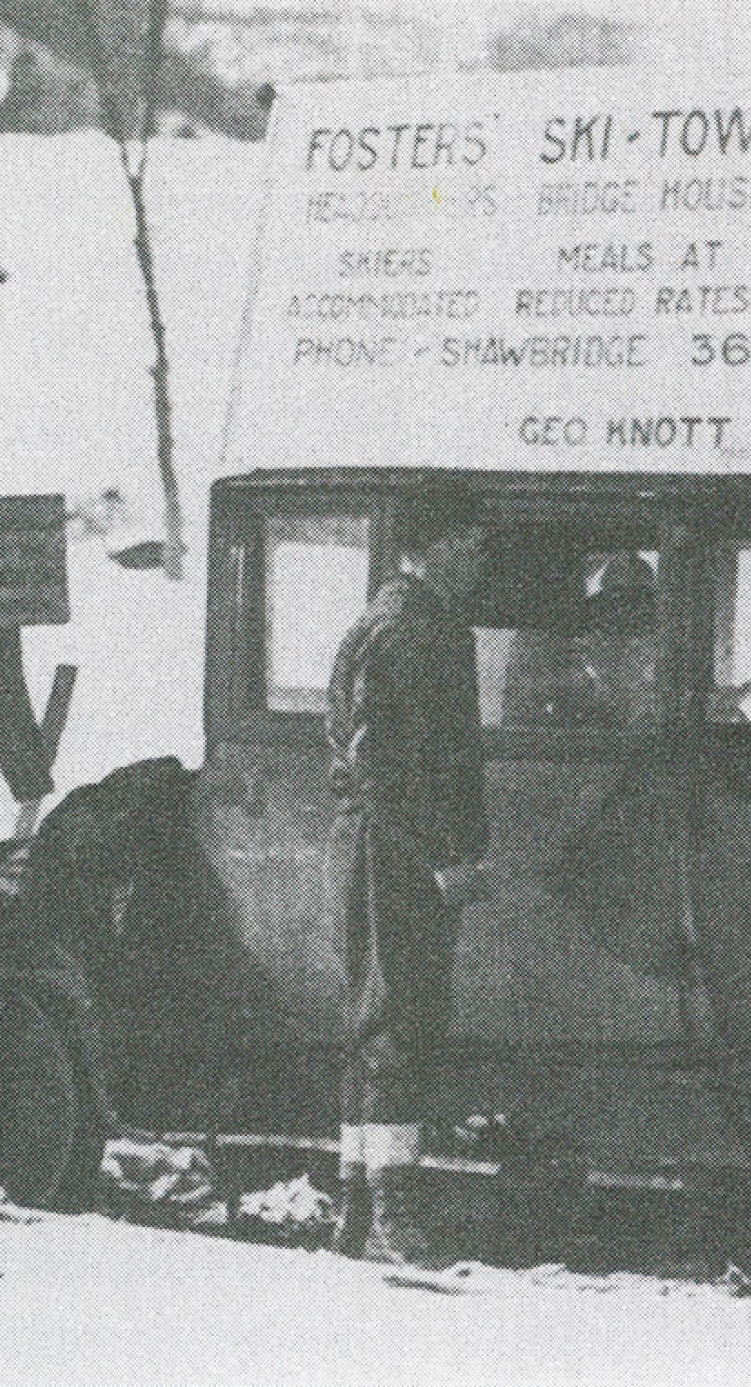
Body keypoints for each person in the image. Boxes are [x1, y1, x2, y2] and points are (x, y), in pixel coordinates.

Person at [324, 482, 491, 1261]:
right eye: (474, 545)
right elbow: (383, 763)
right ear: (442, 544)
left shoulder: (408, 621)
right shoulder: (409, 630)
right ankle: (391, 1216)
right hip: (393, 851)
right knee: (397, 1021)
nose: (481, 561)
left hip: (387, 846)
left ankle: (358, 1208)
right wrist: (442, 856)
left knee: (377, 1022)